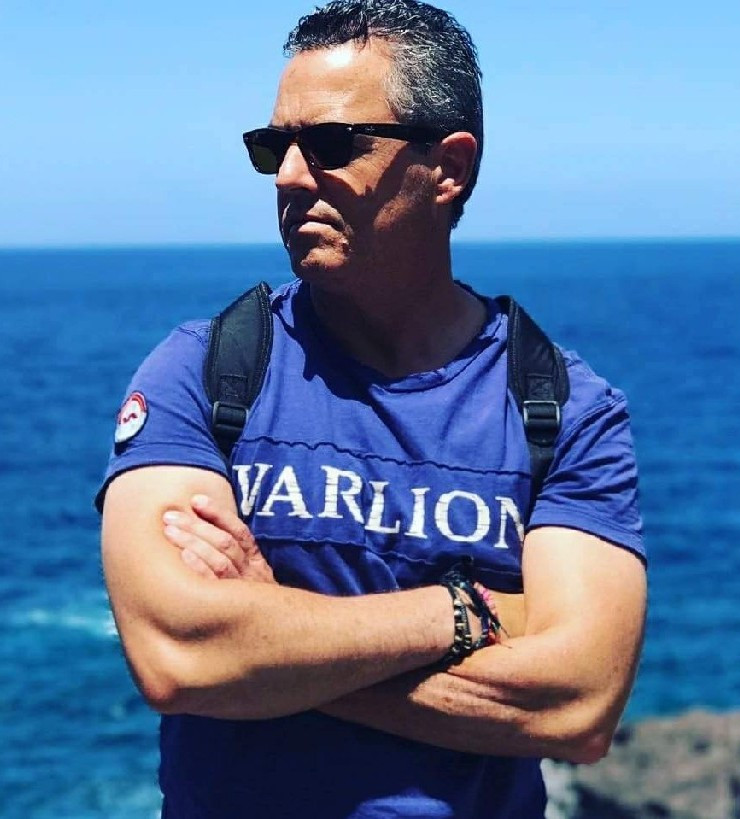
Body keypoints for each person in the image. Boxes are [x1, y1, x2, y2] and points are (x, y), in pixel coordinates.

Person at [97, 1, 647, 816]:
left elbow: (575, 705)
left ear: (448, 167)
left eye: (330, 144)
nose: (288, 176)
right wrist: (462, 612)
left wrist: (264, 646)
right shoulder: (205, 369)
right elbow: (179, 656)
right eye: (272, 147)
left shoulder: (564, 409)